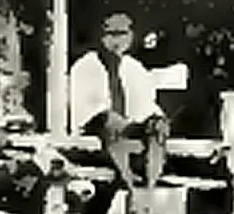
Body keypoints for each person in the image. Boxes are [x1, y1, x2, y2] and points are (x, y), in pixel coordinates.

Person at [66, 11, 170, 201]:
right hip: (96, 131)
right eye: (111, 34)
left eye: (122, 34)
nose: (116, 40)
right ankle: (130, 188)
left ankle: (150, 189)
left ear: (130, 37)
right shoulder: (85, 67)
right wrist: (118, 121)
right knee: (111, 121)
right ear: (101, 37)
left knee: (159, 125)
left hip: (127, 129)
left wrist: (152, 121)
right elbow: (86, 110)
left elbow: (145, 105)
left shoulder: (134, 68)